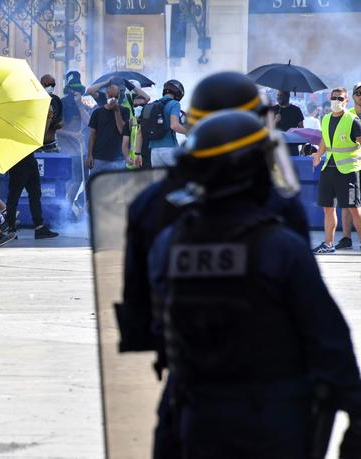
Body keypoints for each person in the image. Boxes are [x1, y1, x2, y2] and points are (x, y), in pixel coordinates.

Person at [146, 109, 361, 459]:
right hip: (272, 425)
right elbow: (330, 342)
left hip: (196, 421)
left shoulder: (168, 245)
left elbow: (157, 330)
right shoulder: (282, 248)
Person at [119, 71, 310, 459]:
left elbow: (139, 321)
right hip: (269, 401)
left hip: (190, 393)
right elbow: (312, 322)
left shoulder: (149, 205)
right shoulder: (280, 208)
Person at [3, 75, 61, 240]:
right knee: (15, 194)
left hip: (28, 156)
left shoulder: (25, 109)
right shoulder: (14, 112)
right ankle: (11, 227)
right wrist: (46, 118)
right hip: (18, 156)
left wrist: (47, 117)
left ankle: (39, 226)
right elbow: (37, 135)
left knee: (34, 192)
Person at [311, 86, 361, 254]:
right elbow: (325, 140)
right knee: (328, 207)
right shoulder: (325, 119)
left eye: (340, 99)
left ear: (346, 101)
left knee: (354, 208)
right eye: (334, 98)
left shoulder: (353, 120)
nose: (336, 101)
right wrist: (318, 154)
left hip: (348, 171)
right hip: (329, 168)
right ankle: (328, 244)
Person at [59, 71, 90, 217]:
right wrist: (72, 134)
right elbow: (56, 129)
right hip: (66, 150)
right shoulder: (62, 104)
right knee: (72, 180)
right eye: (73, 89)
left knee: (80, 180)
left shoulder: (81, 104)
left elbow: (88, 122)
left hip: (80, 150)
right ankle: (65, 209)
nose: (75, 92)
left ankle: (70, 207)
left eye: (78, 89)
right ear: (69, 89)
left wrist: (79, 104)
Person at [137, 79, 187, 168]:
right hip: (169, 149)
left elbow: (140, 132)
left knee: (159, 179)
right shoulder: (174, 104)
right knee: (178, 178)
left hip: (154, 151)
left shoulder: (150, 106)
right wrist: (189, 132)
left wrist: (137, 153)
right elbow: (174, 125)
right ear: (178, 92)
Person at [336, 82, 361, 250]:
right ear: (352, 96)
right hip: (352, 166)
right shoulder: (347, 115)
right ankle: (346, 238)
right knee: (348, 203)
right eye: (358, 93)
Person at [86, 83, 131, 174]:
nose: (113, 99)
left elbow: (122, 130)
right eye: (111, 96)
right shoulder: (97, 112)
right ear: (106, 95)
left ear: (119, 95)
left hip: (117, 159)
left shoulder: (125, 111)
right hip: (99, 158)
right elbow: (92, 135)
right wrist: (90, 155)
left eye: (115, 96)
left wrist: (116, 111)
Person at [40, 74, 64, 152]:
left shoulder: (56, 100)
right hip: (36, 147)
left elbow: (61, 122)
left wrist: (55, 124)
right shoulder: (35, 100)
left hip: (51, 145)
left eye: (53, 85)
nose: (50, 87)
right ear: (41, 84)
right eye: (47, 84)